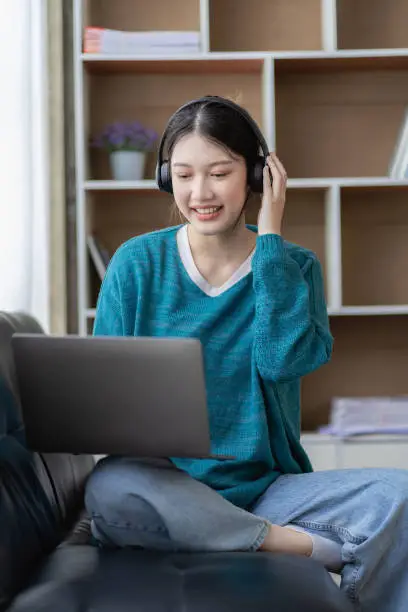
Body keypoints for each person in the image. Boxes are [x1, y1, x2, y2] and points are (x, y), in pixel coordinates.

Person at [85, 95, 408, 611]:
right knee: (111, 484)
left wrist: (273, 234)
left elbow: (281, 361)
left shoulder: (295, 266)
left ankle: (239, 534)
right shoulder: (136, 263)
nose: (201, 193)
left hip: (267, 487)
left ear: (257, 176)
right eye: (185, 175)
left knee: (403, 496)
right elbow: (103, 395)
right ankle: (291, 545)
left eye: (219, 173)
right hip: (167, 486)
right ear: (167, 179)